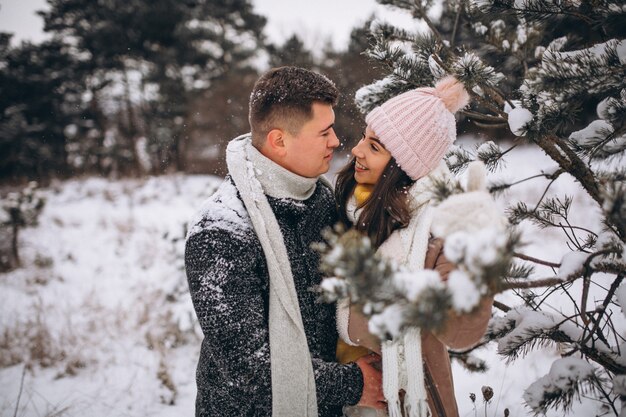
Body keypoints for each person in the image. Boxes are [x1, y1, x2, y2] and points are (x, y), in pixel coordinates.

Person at [184, 66, 385, 417]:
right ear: (279, 140)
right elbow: (248, 370)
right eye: (324, 132)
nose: (336, 141)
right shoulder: (221, 231)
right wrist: (353, 384)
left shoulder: (322, 201)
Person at [334, 76, 501, 417]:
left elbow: (459, 332)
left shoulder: (434, 231)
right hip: (345, 394)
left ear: (403, 168)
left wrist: (476, 256)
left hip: (409, 402)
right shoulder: (349, 207)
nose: (356, 151)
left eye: (375, 147)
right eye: (365, 138)